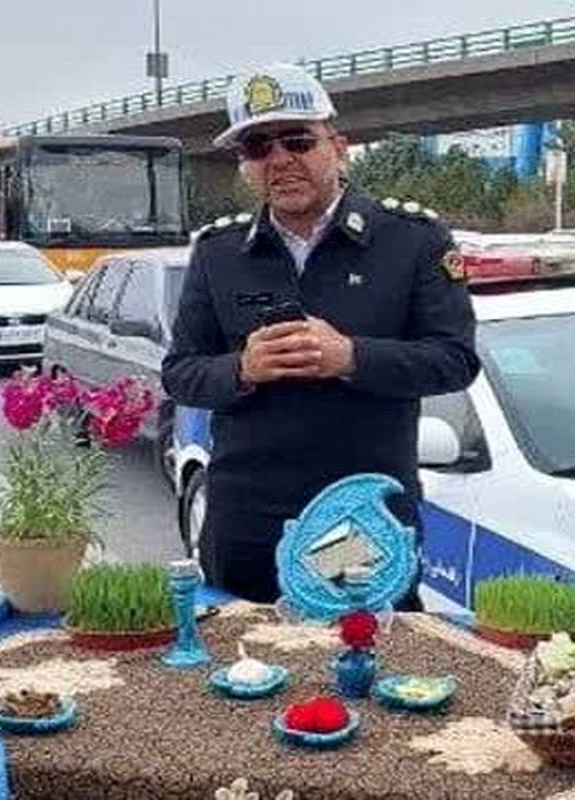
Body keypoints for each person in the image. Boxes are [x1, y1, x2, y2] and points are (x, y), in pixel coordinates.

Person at [162, 63, 480, 604]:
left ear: (338, 147)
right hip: (247, 518)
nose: (279, 159)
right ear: (245, 167)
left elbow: (453, 359)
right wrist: (242, 369)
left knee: (355, 644)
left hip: (358, 512)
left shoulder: (410, 240)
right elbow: (180, 373)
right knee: (241, 651)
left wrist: (350, 356)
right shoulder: (219, 252)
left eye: (297, 140)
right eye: (258, 147)